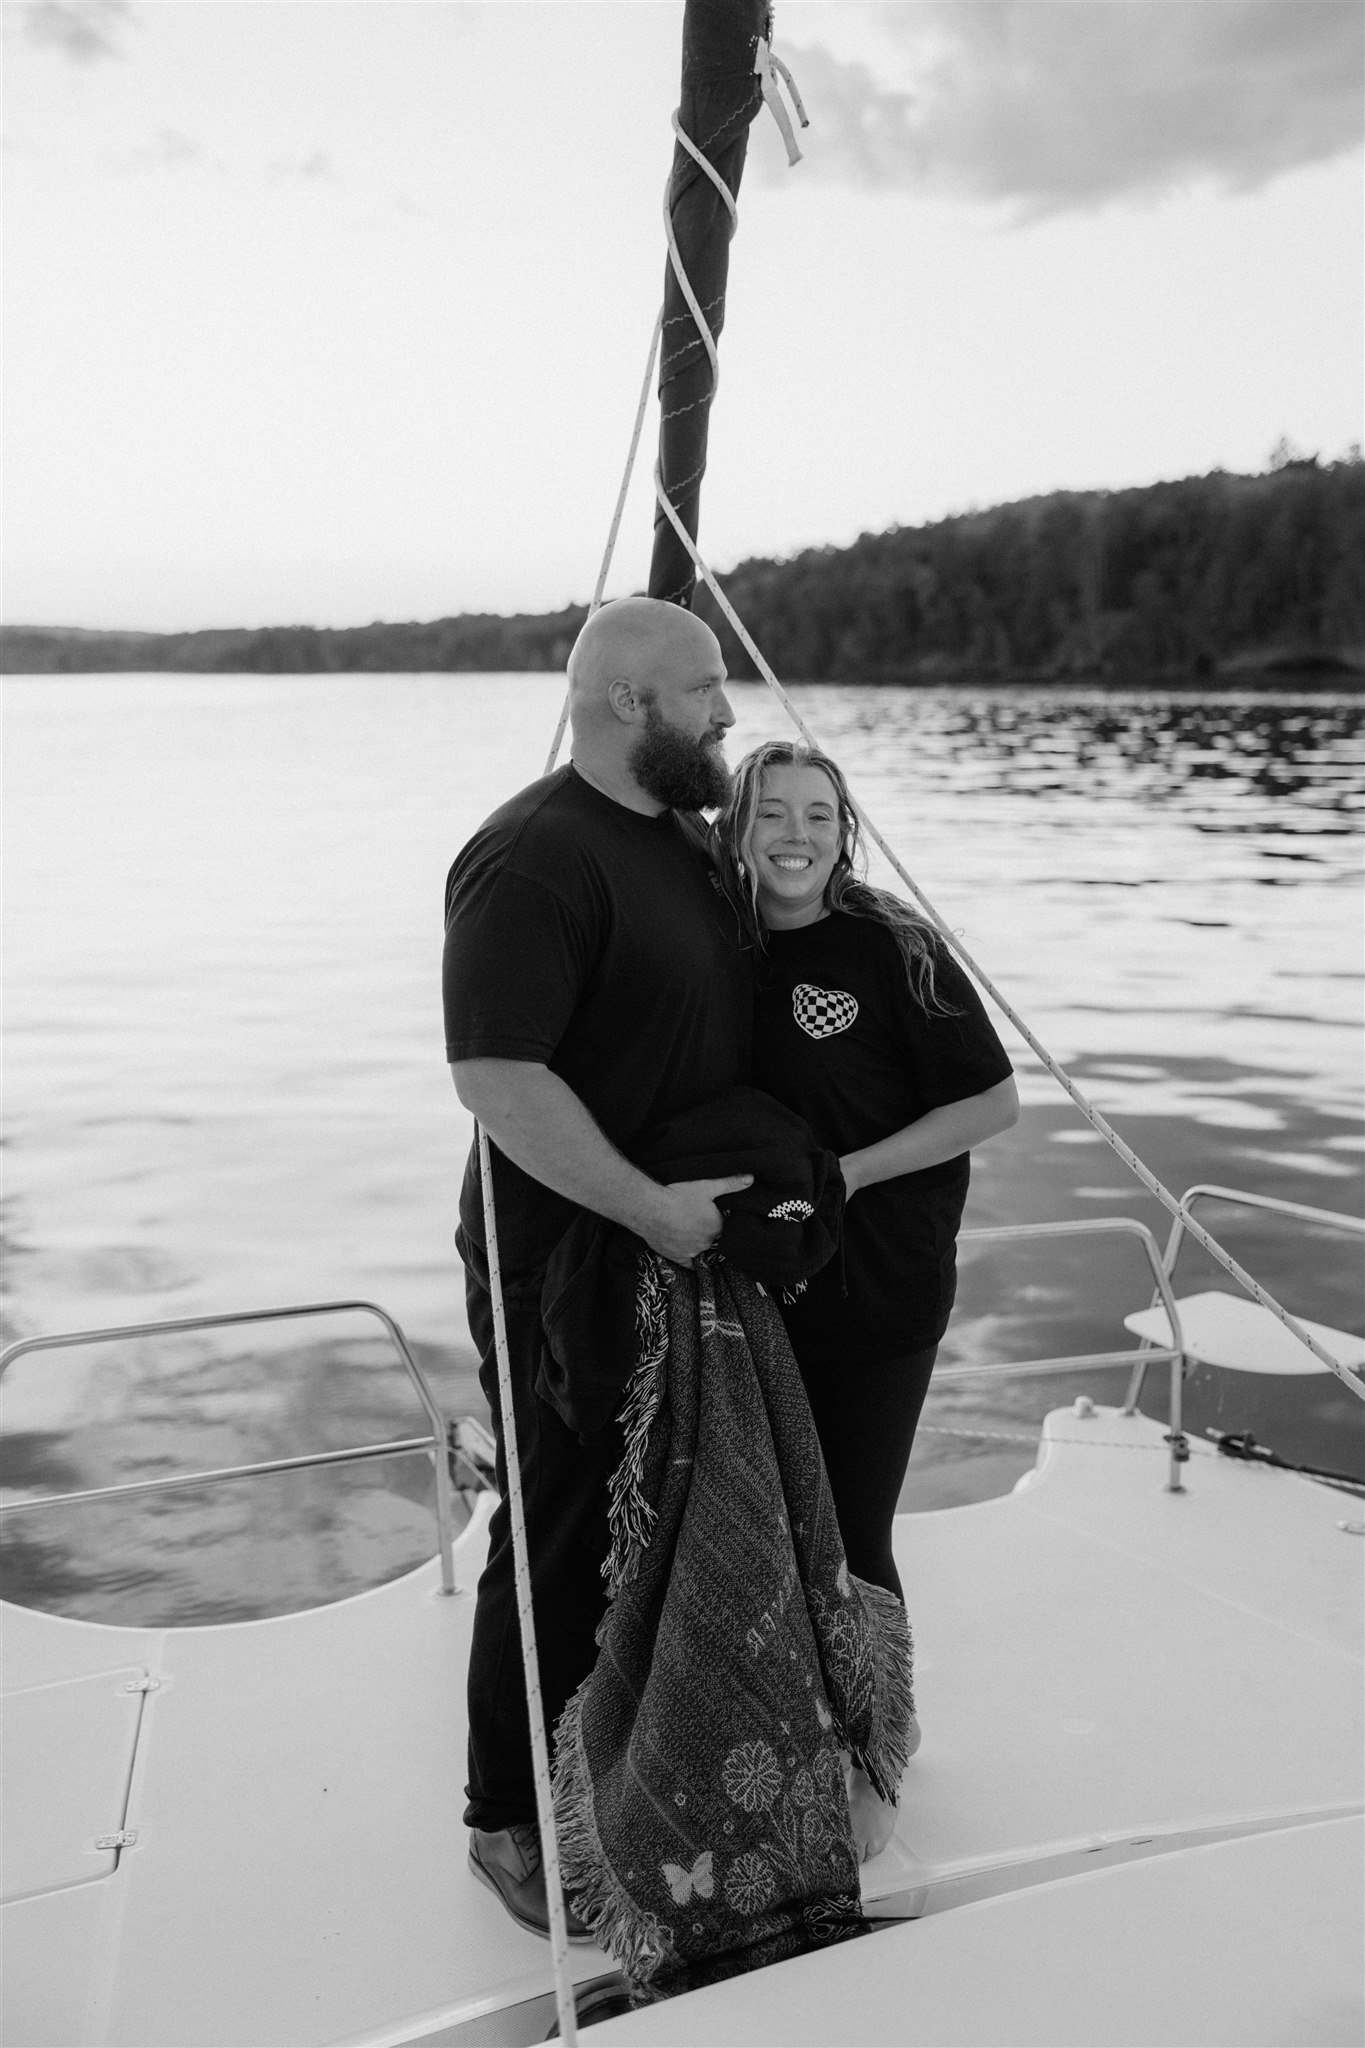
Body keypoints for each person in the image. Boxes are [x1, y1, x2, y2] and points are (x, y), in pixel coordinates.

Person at [442, 595, 754, 1940]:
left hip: (670, 1246)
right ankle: (505, 1822)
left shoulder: (683, 840)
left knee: (653, 1523)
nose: (727, 713)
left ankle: (617, 1767)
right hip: (560, 1258)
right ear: (630, 701)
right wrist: (643, 1207)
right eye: (704, 690)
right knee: (559, 1533)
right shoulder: (531, 860)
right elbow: (498, 1078)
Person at [714, 739, 1019, 1859]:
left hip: (883, 1278)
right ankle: (814, 1722)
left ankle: (879, 1750)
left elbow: (993, 1102)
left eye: (819, 814)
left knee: (851, 1527)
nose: (795, 834)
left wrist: (850, 1172)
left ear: (848, 830)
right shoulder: (722, 948)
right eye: (772, 814)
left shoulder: (893, 945)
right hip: (762, 1284)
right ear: (736, 829)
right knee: (780, 1525)